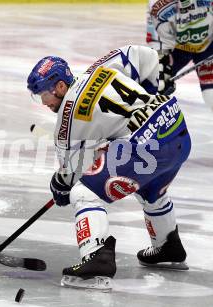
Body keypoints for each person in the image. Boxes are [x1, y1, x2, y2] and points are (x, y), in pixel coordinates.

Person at [27, 47, 191, 290]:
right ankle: (168, 246)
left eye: (43, 94)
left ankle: (97, 260)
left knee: (83, 193)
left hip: (147, 146)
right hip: (176, 127)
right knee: (150, 188)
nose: (43, 102)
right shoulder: (100, 67)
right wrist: (151, 90)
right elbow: (142, 55)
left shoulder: (67, 118)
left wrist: (59, 187)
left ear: (60, 87)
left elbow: (72, 174)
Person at [147, 0, 213, 109]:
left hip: (208, 45)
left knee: (210, 92)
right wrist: (161, 67)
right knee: (152, 82)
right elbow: (158, 43)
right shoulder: (158, 6)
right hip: (176, 49)